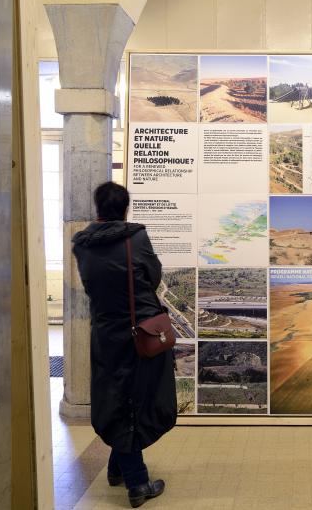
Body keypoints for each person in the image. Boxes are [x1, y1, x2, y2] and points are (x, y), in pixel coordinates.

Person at [72, 181, 177, 508]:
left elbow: (92, 284)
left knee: (116, 394)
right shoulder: (136, 237)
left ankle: (117, 467)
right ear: (125, 207)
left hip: (105, 332)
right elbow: (154, 275)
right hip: (140, 332)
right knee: (138, 398)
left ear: (98, 206)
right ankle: (138, 483)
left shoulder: (81, 244)